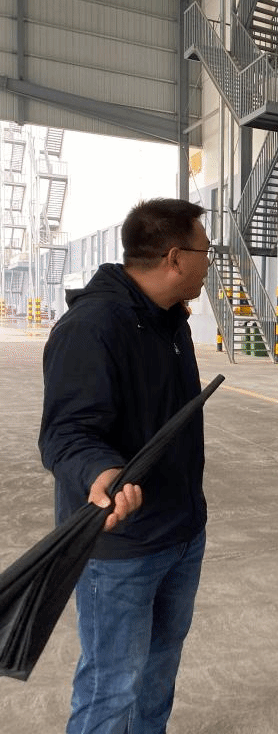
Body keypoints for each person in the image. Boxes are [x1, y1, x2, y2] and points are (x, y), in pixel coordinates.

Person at [38, 198, 210, 734]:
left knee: (159, 672)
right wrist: (101, 472)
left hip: (181, 531)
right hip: (120, 549)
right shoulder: (91, 327)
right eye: (206, 252)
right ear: (176, 259)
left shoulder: (169, 320)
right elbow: (65, 433)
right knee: (111, 687)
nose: (210, 263)